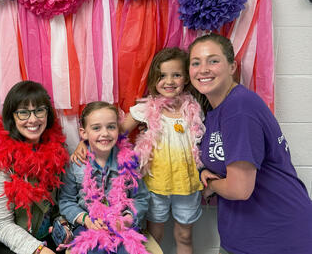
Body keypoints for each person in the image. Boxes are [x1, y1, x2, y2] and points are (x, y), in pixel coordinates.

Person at [72, 48, 205, 254]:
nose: (169, 81)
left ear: (186, 78)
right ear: (154, 78)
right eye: (162, 76)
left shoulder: (194, 108)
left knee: (185, 235)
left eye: (176, 75)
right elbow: (117, 132)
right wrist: (85, 143)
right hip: (156, 183)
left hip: (187, 184)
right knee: (154, 235)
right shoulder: (146, 108)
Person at [188, 33, 312, 254]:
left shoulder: (239, 109)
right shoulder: (217, 111)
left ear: (232, 67)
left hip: (278, 236)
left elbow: (239, 189)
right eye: (196, 62)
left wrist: (209, 188)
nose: (203, 69)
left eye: (213, 60)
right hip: (242, 236)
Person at [0, 81, 69, 254]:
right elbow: (0, 224)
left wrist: (62, 225)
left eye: (39, 110)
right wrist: (37, 250)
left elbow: (55, 207)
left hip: (43, 236)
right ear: (12, 117)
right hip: (1, 242)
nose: (33, 119)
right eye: (23, 113)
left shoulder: (58, 150)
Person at [59, 101, 155, 254]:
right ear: (84, 133)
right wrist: (86, 220)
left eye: (111, 127)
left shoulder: (128, 163)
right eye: (96, 128)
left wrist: (127, 219)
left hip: (122, 226)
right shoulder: (76, 164)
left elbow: (141, 198)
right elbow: (66, 201)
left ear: (118, 129)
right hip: (88, 226)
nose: (105, 133)